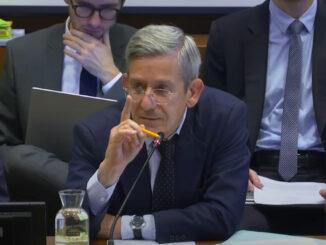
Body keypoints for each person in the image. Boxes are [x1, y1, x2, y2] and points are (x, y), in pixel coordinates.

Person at [66, 24, 250, 243]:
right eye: (138, 87)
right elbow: (75, 222)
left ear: (192, 92)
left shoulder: (224, 120)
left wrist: (127, 226)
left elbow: (223, 216)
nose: (146, 103)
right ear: (126, 83)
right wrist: (108, 172)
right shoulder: (95, 133)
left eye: (162, 89)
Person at [0, 0, 135, 230]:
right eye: (83, 7)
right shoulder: (23, 53)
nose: (94, 21)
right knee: (18, 156)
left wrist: (111, 76)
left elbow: (155, 128)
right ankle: (87, 187)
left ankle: (90, 189)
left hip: (119, 194)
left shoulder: (142, 48)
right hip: (44, 193)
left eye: (107, 10)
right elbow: (5, 144)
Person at [204, 0, 326, 234]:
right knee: (226, 226)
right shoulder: (229, 32)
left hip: (321, 172)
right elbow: (210, 119)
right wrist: (231, 167)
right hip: (253, 174)